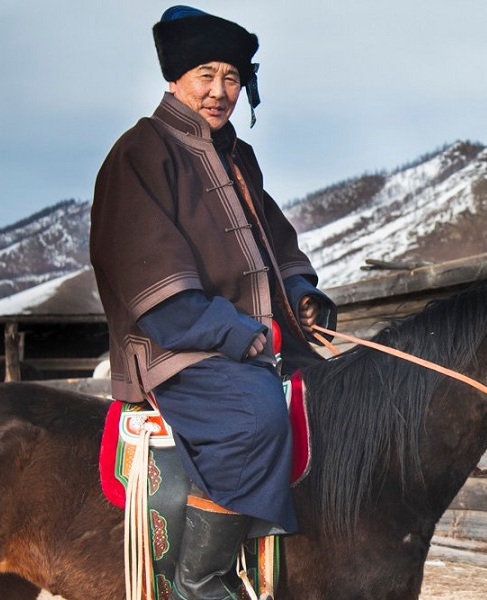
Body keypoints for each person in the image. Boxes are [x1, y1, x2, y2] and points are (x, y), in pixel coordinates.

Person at [90, 6, 336, 599]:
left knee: (337, 396)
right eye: (206, 74)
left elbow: (277, 246)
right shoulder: (141, 153)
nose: (220, 91)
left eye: (231, 77)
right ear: (175, 77)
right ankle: (198, 581)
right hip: (178, 347)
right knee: (253, 416)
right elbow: (149, 280)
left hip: (248, 342)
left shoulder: (235, 157)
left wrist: (300, 296)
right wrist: (241, 333)